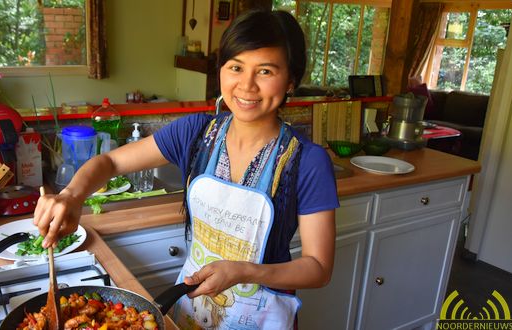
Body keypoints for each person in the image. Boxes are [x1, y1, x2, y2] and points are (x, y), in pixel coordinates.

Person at [34, 9, 339, 329]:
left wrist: (245, 271)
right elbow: (111, 161)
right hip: (194, 309)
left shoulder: (307, 161)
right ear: (221, 71)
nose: (246, 85)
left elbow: (318, 267)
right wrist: (71, 195)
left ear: (291, 80)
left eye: (265, 71)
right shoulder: (195, 133)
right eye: (236, 67)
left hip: (262, 317)